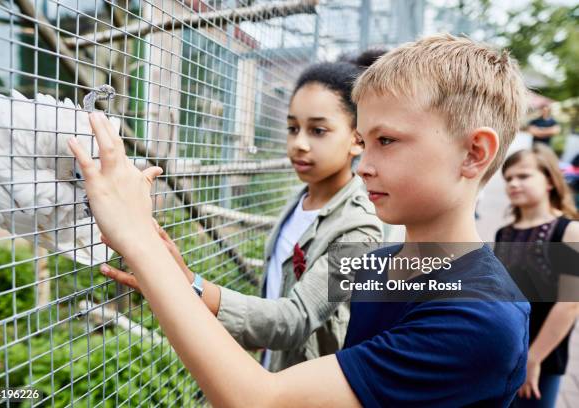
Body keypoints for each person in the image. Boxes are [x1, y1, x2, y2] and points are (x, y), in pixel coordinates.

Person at [69, 33, 530, 407]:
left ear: (474, 153)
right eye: (364, 142)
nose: (364, 164)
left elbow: (265, 392)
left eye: (386, 140)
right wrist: (178, 279)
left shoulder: (481, 320)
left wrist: (138, 239)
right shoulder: (383, 263)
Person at [99, 53, 387, 372]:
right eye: (293, 128)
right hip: (273, 368)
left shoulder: (360, 230)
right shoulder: (301, 199)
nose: (299, 144)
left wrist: (190, 285)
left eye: (318, 131)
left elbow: (295, 319)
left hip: (310, 387)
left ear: (357, 139)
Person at [495, 144, 579, 408]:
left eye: (524, 176)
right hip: (503, 353)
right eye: (508, 178)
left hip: (542, 358)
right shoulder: (504, 233)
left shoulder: (569, 231)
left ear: (550, 181)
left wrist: (533, 358)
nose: (514, 184)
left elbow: (570, 303)